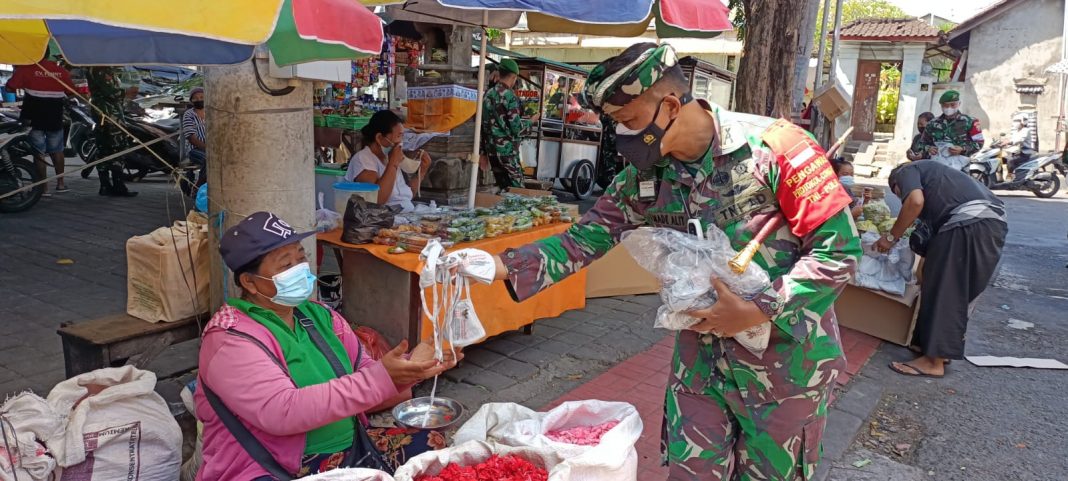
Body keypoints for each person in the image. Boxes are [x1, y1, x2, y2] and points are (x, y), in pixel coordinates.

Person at [471, 43, 862, 480]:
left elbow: (839, 249)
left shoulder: (777, 149)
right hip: (701, 368)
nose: (622, 139)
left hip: (786, 369)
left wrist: (759, 310)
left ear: (671, 105)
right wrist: (493, 265)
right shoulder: (647, 176)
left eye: (629, 122)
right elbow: (583, 239)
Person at [194, 211, 459, 480]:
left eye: (301, 257)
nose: (300, 269)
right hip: (273, 466)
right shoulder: (230, 339)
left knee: (434, 445)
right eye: (285, 265)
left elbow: (367, 379)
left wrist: (411, 369)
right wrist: (382, 377)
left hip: (351, 448)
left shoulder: (319, 316)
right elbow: (282, 412)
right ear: (249, 282)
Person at [876, 161, 1007, 378]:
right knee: (949, 288)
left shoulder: (907, 171)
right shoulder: (942, 187)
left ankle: (932, 362)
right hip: (988, 225)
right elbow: (928, 261)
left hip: (970, 223)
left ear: (895, 183)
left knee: (947, 291)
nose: (901, 197)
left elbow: (915, 201)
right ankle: (937, 350)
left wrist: (891, 237)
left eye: (898, 193)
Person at [6, 53, 74, 195]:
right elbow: (71, 91)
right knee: (57, 150)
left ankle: (44, 188)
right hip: (55, 116)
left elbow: (9, 88)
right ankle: (61, 184)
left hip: (33, 117)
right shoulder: (61, 71)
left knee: (39, 153)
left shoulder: (25, 69)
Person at [345, 110, 431, 212]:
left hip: (405, 214)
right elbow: (377, 200)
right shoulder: (363, 159)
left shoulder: (389, 156)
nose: (401, 142)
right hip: (382, 219)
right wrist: (393, 164)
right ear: (379, 137)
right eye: (398, 136)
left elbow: (405, 197)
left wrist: (422, 171)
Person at [482, 58, 537, 190]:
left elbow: (482, 126)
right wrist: (531, 121)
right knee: (517, 190)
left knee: (502, 188)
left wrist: (482, 151)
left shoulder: (488, 94)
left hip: (492, 151)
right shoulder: (509, 96)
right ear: (513, 76)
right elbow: (517, 129)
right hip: (507, 151)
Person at [86, 67, 137, 197]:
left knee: (107, 151)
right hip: (108, 117)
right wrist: (127, 92)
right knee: (115, 150)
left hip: (110, 115)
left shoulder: (104, 69)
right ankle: (115, 186)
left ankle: (108, 185)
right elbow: (109, 92)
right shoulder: (99, 69)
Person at [916, 91, 984, 161]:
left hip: (960, 166)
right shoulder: (932, 124)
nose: (949, 108)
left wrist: (963, 149)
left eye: (953, 105)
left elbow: (979, 143)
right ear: (941, 106)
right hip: (937, 165)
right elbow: (921, 143)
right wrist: (928, 148)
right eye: (945, 105)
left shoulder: (970, 122)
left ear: (959, 104)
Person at [182, 87, 208, 188]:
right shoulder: (189, 114)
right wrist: (208, 148)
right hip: (195, 149)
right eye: (195, 98)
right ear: (191, 101)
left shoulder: (212, 112)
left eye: (202, 97)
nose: (199, 100)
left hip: (212, 148)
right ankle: (198, 187)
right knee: (209, 159)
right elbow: (191, 138)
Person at [998, 112, 1035, 177]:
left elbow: (1019, 140)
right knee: (1001, 159)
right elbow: (1011, 139)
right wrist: (1002, 142)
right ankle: (1000, 177)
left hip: (1024, 153)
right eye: (1015, 121)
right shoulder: (1017, 131)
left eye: (1018, 121)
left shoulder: (1026, 130)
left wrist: (1009, 142)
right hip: (1017, 153)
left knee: (1010, 160)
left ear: (1023, 121)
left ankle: (1010, 176)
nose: (1016, 123)